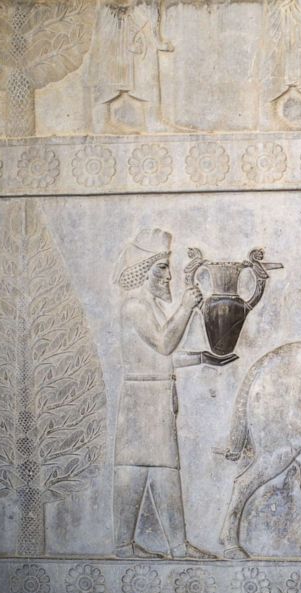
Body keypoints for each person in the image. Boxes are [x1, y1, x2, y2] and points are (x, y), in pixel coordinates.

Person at [112, 228, 220, 559]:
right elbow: (164, 342)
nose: (168, 275)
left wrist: (203, 357)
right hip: (142, 400)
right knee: (139, 470)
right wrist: (186, 307)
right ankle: (129, 547)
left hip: (154, 395)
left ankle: (167, 545)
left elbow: (164, 357)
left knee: (157, 471)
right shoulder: (135, 307)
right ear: (143, 270)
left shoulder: (151, 307)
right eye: (162, 267)